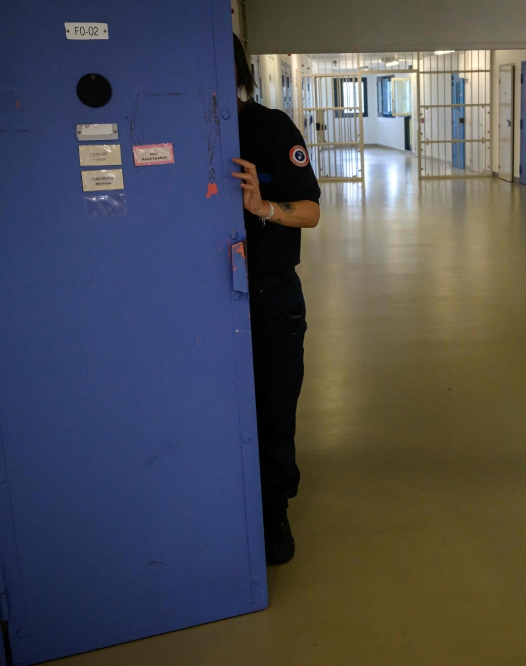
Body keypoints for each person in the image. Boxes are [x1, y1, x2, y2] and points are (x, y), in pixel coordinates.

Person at [231, 34, 320, 566]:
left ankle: (273, 510)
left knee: (273, 408)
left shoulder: (270, 128)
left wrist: (263, 206)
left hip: (270, 296)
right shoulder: (176, 130)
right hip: (204, 300)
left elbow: (310, 211)